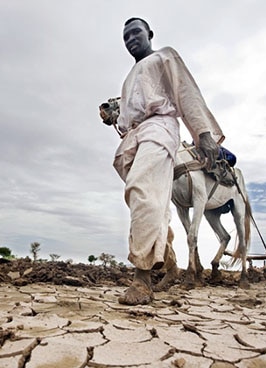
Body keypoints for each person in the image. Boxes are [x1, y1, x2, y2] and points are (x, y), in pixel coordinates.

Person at [112, 17, 225, 305]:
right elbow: (128, 114)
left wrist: (203, 134)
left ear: (149, 33)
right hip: (132, 135)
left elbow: (185, 91)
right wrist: (115, 117)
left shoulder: (165, 56)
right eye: (125, 36)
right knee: (152, 202)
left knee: (141, 189)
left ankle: (142, 278)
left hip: (159, 126)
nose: (130, 39)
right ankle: (171, 265)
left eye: (135, 32)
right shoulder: (129, 77)